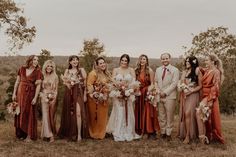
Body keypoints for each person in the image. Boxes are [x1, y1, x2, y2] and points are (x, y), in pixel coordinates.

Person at [107, 54, 141, 141]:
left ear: (128, 62)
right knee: (119, 112)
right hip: (117, 95)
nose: (124, 62)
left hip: (128, 95)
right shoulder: (115, 70)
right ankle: (117, 131)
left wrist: (128, 91)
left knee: (128, 112)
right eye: (122, 60)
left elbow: (134, 83)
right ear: (120, 60)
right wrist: (118, 91)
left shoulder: (131, 70)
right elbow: (113, 82)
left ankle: (128, 131)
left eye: (126, 61)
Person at [58, 55, 89, 141]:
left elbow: (85, 83)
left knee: (78, 113)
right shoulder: (67, 71)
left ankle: (79, 134)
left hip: (79, 92)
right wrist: (69, 83)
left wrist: (85, 94)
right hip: (69, 93)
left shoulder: (81, 70)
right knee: (70, 113)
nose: (75, 61)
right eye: (73, 60)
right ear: (70, 62)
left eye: (76, 60)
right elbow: (65, 83)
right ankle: (70, 132)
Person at [196, 53, 225, 144]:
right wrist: (197, 67)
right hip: (204, 95)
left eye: (207, 60)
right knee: (206, 116)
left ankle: (211, 137)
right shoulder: (208, 70)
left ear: (212, 61)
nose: (205, 61)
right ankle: (207, 136)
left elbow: (216, 86)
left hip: (210, 96)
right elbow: (202, 70)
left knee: (205, 115)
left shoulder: (216, 72)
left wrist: (210, 99)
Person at [12, 55, 42, 141]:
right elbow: (17, 82)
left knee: (29, 113)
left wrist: (35, 98)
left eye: (37, 60)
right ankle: (21, 134)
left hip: (30, 94)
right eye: (34, 59)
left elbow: (38, 86)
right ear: (30, 60)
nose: (36, 61)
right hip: (20, 94)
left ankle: (29, 135)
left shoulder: (38, 72)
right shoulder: (22, 69)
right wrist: (14, 93)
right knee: (20, 112)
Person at [154, 53, 179, 141]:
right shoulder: (158, 70)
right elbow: (156, 82)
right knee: (161, 115)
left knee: (169, 115)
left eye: (166, 58)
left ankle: (168, 134)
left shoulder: (175, 70)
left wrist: (165, 92)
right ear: (161, 60)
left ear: (170, 59)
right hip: (159, 95)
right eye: (163, 59)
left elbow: (174, 83)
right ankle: (163, 132)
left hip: (170, 96)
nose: (165, 60)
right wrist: (158, 91)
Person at [177, 56, 202, 144]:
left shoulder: (197, 71)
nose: (187, 62)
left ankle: (188, 136)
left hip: (193, 95)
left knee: (188, 113)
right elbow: (181, 83)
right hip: (184, 95)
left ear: (193, 62)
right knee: (184, 114)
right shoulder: (184, 72)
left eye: (189, 61)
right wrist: (181, 88)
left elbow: (200, 86)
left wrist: (191, 90)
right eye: (186, 61)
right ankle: (185, 133)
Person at [134, 54, 160, 138]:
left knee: (148, 111)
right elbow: (134, 83)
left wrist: (148, 92)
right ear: (139, 60)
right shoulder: (136, 71)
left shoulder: (150, 71)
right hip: (138, 93)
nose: (142, 61)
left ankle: (150, 131)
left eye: (144, 59)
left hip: (147, 93)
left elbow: (152, 84)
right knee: (139, 110)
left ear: (146, 61)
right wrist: (136, 91)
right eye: (141, 59)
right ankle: (140, 129)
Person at [87, 57, 112, 139]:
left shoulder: (107, 73)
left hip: (104, 98)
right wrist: (96, 94)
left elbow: (110, 84)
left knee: (103, 116)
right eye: (100, 63)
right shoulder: (93, 73)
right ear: (97, 65)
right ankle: (94, 133)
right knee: (95, 116)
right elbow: (89, 85)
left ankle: (102, 133)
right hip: (95, 99)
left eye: (103, 63)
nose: (102, 64)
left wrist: (107, 91)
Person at [40, 60, 58, 142]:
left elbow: (56, 90)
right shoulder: (41, 75)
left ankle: (46, 134)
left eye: (51, 66)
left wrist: (54, 98)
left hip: (52, 97)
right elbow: (40, 88)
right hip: (44, 97)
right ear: (45, 67)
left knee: (50, 116)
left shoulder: (55, 76)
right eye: (48, 66)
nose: (49, 68)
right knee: (45, 115)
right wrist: (42, 95)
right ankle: (50, 135)